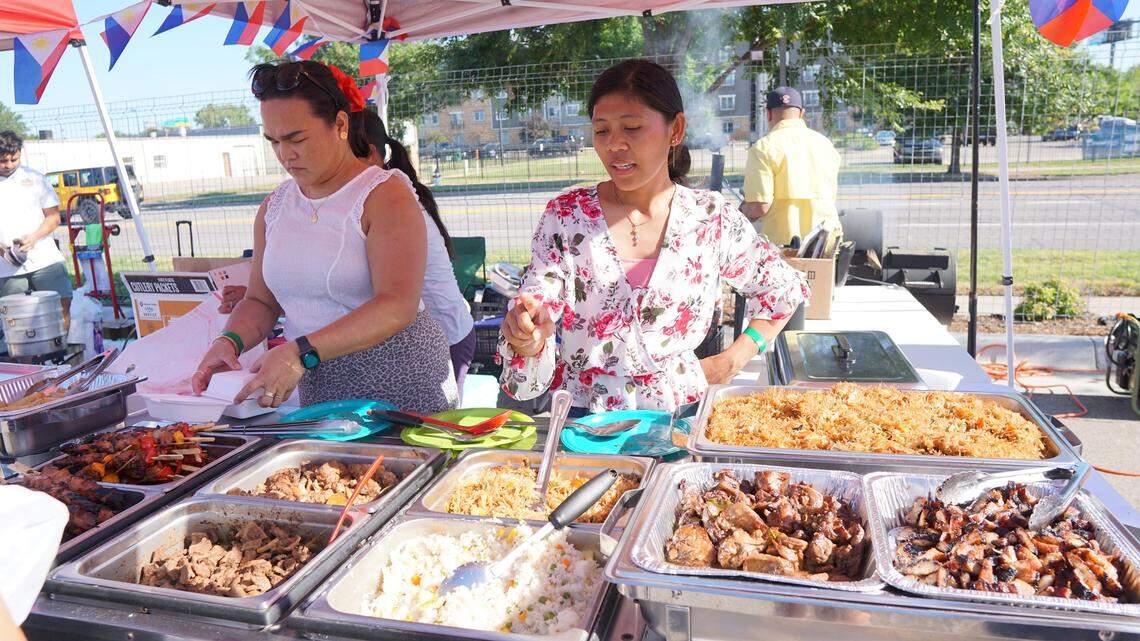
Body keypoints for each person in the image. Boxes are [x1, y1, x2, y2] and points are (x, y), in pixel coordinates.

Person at [498, 60, 809, 414]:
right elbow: (541, 295)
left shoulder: (709, 218)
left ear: (675, 129)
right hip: (585, 422)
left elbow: (782, 289)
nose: (615, 144)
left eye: (632, 127)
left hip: (680, 414)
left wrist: (734, 358)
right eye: (602, 131)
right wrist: (527, 334)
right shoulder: (568, 217)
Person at [191, 60, 457, 412]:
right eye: (273, 142)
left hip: (399, 381)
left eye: (296, 139)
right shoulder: (275, 206)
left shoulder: (384, 194)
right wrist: (229, 341)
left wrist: (301, 351)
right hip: (316, 379)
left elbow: (397, 304)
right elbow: (261, 301)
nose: (285, 155)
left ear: (341, 125)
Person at [356, 110, 476, 397]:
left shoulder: (394, 203)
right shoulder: (381, 198)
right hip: (428, 337)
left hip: (446, 336)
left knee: (435, 432)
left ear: (371, 154)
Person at [740, 87, 842, 247]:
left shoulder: (763, 148)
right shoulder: (825, 145)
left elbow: (759, 206)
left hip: (784, 249)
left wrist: (741, 211)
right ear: (802, 113)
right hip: (825, 244)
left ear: (768, 113)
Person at [0, 130, 73, 329]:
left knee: (62, 304)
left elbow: (53, 217)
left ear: (20, 153)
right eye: (3, 161)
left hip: (45, 259)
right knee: (18, 320)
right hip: (7, 268)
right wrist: (2, 249)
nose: (8, 165)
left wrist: (33, 238)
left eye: (13, 159)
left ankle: (60, 353)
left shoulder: (35, 178)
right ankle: (28, 359)